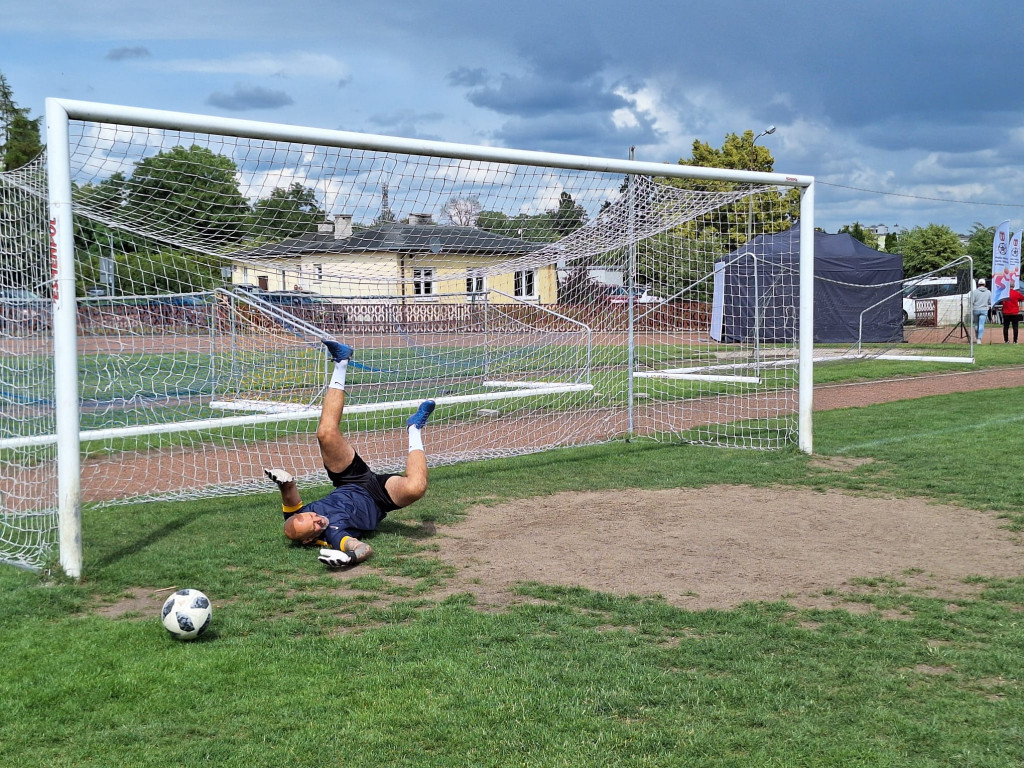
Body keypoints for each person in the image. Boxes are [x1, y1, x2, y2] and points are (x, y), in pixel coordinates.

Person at [264, 338, 435, 567]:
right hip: (378, 498)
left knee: (325, 433)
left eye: (311, 516)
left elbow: (289, 490)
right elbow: (363, 547)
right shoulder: (333, 534)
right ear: (308, 540)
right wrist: (351, 556)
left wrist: (283, 480)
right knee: (416, 488)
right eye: (314, 525)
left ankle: (341, 360)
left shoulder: (296, 517)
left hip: (349, 480)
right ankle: (414, 428)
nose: (316, 518)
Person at [969, 278, 992, 343]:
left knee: (976, 324)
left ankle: (976, 337)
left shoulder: (974, 292)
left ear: (978, 284)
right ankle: (979, 338)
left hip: (976, 309)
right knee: (981, 324)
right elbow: (990, 301)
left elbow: (972, 301)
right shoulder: (988, 292)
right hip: (984, 309)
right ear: (984, 284)